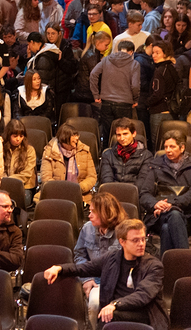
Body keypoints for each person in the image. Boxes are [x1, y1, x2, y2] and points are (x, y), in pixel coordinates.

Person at [44, 219, 166, 330]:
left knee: (108, 316)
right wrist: (60, 268)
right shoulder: (111, 258)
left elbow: (143, 295)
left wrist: (115, 304)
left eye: (143, 239)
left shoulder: (154, 266)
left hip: (145, 314)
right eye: (135, 240)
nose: (141, 244)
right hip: (116, 310)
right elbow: (85, 268)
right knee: (107, 315)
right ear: (122, 242)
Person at [74, 192, 127, 328]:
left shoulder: (124, 231)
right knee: (94, 303)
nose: (89, 215)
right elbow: (80, 255)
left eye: (93, 212)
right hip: (96, 281)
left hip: (119, 283)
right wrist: (87, 279)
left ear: (105, 213)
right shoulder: (87, 229)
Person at [138, 129, 191, 259]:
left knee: (168, 228)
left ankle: (166, 268)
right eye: (166, 147)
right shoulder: (156, 165)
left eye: (172, 147)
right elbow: (144, 194)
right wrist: (155, 204)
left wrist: (171, 204)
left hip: (187, 216)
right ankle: (186, 263)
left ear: (182, 148)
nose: (168, 150)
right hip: (159, 216)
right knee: (174, 216)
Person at [90, 39, 140, 141]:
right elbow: (135, 85)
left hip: (106, 102)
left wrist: (96, 94)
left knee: (107, 135)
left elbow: (93, 74)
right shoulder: (134, 64)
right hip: (125, 103)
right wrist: (135, 99)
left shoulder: (106, 60)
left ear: (118, 49)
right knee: (123, 134)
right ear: (131, 52)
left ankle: (106, 151)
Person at [40, 123, 97, 204]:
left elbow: (92, 177)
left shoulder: (84, 151)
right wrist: (64, 191)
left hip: (80, 194)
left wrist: (77, 189)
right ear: (64, 139)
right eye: (73, 137)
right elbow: (46, 178)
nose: (76, 139)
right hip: (54, 194)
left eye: (77, 136)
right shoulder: (49, 152)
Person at [144, 40, 179, 149]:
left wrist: (146, 103)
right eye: (153, 52)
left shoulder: (159, 71)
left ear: (165, 53)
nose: (154, 55)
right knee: (170, 144)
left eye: (157, 53)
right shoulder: (172, 67)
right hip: (172, 111)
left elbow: (157, 94)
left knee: (158, 146)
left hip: (159, 112)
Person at [100, 117, 152, 185]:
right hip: (113, 190)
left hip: (135, 191)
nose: (122, 138)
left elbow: (143, 181)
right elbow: (107, 179)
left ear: (134, 134)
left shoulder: (146, 156)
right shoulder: (107, 154)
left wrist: (129, 191)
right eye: (118, 135)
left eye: (125, 134)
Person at [2, 119, 37, 206]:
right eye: (15, 136)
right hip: (3, 185)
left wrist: (9, 181)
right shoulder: (1, 147)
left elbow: (27, 173)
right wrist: (5, 181)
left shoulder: (29, 150)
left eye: (21, 136)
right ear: (8, 135)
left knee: (22, 200)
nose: (18, 139)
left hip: (24, 187)